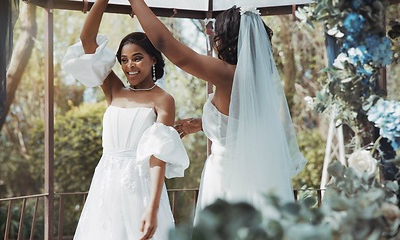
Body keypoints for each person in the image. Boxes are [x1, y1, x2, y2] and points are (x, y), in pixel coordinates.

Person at [128, 1, 307, 222]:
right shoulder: (260, 81)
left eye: (218, 34)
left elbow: (165, 43)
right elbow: (244, 124)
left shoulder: (226, 74)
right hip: (255, 176)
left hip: (226, 177)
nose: (214, 38)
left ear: (227, 40)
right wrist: (204, 123)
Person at [61, 0, 190, 239]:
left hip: (141, 189)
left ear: (153, 59)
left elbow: (157, 156)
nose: (129, 65)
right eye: (123, 59)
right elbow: (87, 42)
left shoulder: (164, 100)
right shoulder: (114, 90)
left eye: (137, 58)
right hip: (105, 186)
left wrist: (151, 209)